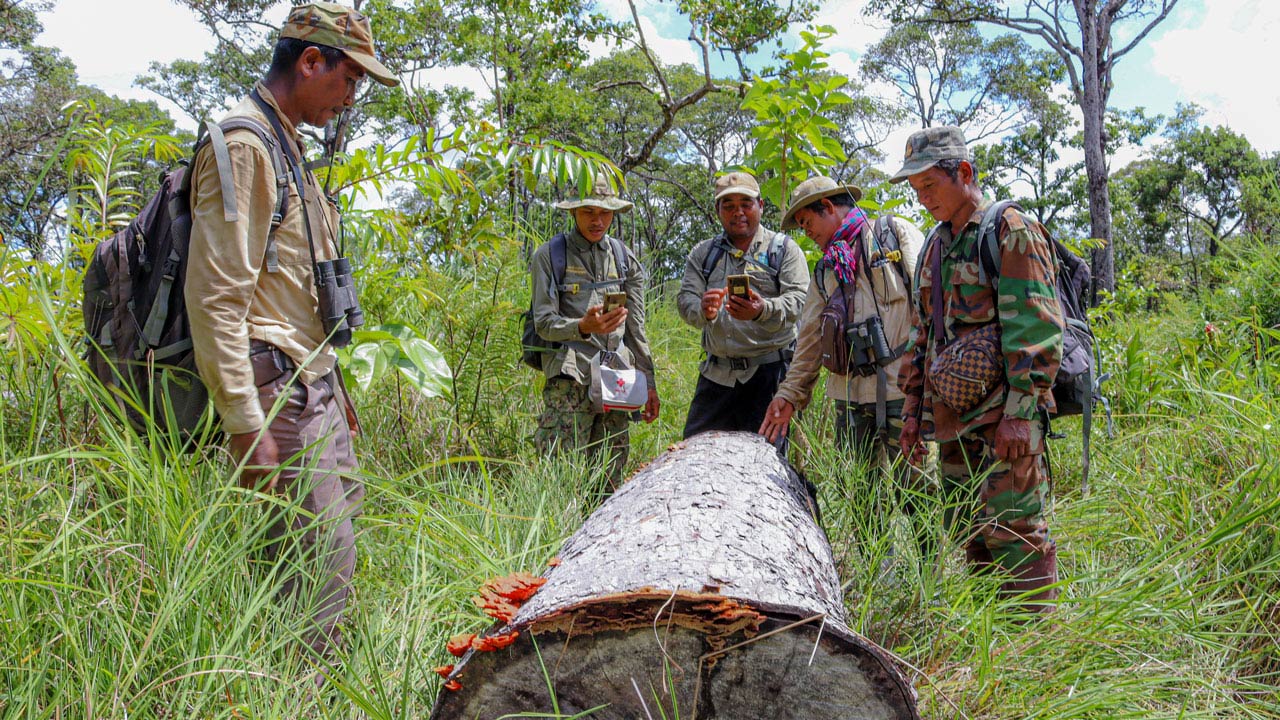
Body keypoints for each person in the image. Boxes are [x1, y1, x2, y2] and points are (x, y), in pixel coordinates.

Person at [184, 1, 398, 670]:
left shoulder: (288, 147)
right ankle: (299, 693)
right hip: (276, 389)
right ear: (310, 61)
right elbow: (217, 298)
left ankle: (295, 682)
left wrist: (339, 394)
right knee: (318, 564)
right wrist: (246, 424)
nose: (351, 97)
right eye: (349, 79)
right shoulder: (246, 146)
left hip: (311, 381)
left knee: (328, 553)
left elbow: (297, 290)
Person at [890, 126, 1065, 612]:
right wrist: (911, 416)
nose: (923, 199)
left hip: (1003, 421)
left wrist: (1019, 412)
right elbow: (925, 336)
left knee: (1017, 532)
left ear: (964, 173)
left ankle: (1036, 653)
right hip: (951, 423)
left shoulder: (1009, 231)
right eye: (916, 190)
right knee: (971, 534)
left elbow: (1037, 328)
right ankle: (992, 647)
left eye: (930, 186)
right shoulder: (934, 247)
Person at [759, 176, 929, 558]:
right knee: (862, 497)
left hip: (903, 392)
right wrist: (789, 395)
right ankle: (879, 578)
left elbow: (928, 302)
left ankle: (928, 582)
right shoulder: (824, 272)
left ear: (829, 208)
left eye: (808, 223)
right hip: (851, 400)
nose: (807, 234)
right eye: (800, 227)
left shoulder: (891, 234)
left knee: (917, 492)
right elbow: (809, 341)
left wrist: (928, 380)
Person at [531, 175, 660, 488]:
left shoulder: (624, 259)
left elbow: (636, 327)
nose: (597, 220)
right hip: (570, 381)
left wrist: (650, 383)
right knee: (559, 478)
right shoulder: (549, 256)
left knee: (609, 479)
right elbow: (543, 322)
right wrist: (582, 327)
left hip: (616, 380)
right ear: (574, 212)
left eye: (605, 212)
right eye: (589, 211)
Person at [676, 172, 808, 440]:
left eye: (746, 204)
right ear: (717, 210)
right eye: (729, 205)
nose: (738, 212)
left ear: (760, 205)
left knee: (764, 462)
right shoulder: (704, 254)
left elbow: (800, 300)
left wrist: (762, 310)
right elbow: (685, 299)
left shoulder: (783, 249)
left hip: (769, 377)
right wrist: (704, 310)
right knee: (694, 453)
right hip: (716, 377)